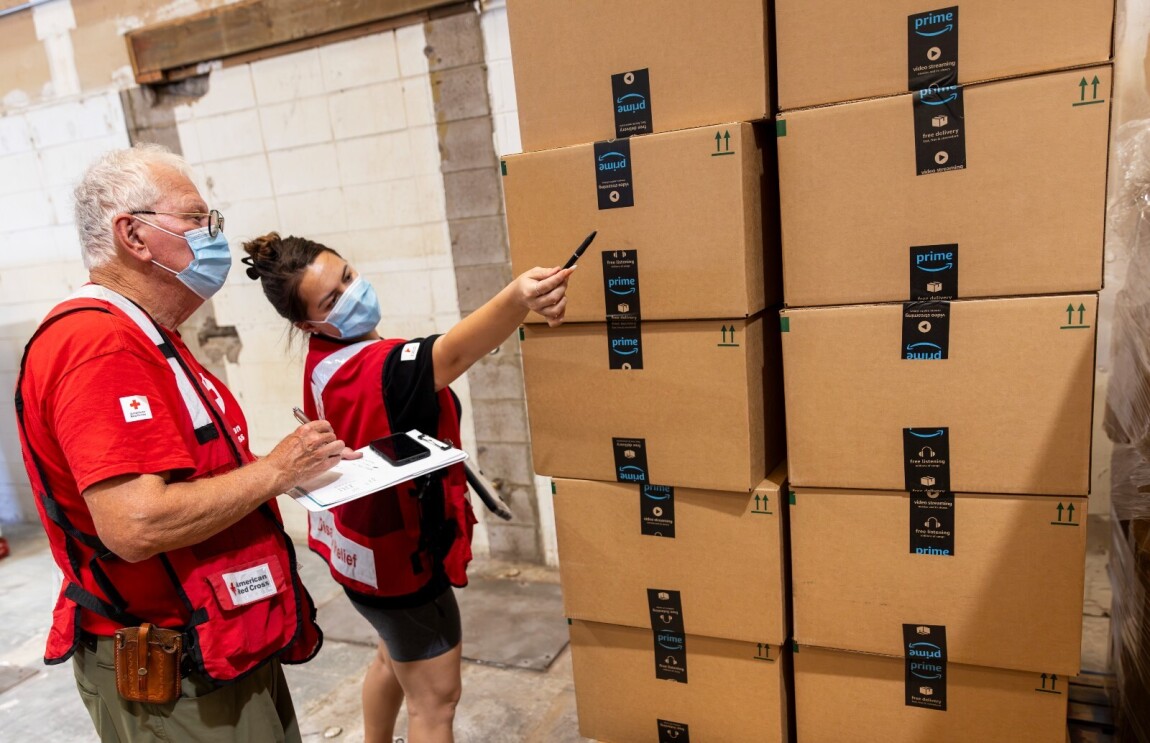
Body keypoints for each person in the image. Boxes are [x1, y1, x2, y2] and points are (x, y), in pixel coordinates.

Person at [13, 144, 357, 742]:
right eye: (197, 219)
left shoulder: (148, 336)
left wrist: (296, 468)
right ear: (135, 237)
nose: (215, 236)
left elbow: (195, 476)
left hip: (219, 642)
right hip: (175, 671)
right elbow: (136, 524)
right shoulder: (99, 345)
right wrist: (274, 471)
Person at [241, 232, 572, 743]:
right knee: (435, 702)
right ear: (307, 322)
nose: (352, 294)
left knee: (392, 655)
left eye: (348, 276)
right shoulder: (367, 369)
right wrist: (517, 298)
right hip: (397, 561)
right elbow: (453, 354)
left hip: (361, 552)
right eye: (332, 298)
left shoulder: (330, 351)